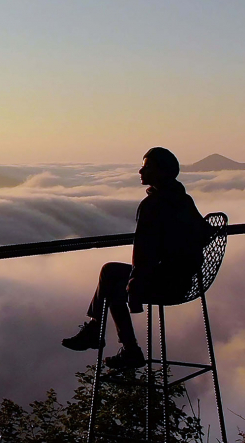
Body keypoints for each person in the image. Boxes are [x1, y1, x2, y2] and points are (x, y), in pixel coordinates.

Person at [62, 147, 212, 370]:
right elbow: (205, 234)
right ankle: (101, 333)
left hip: (167, 284)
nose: (140, 172)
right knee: (110, 273)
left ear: (161, 172)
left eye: (146, 167)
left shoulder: (153, 205)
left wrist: (136, 283)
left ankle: (123, 345)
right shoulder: (183, 200)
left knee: (111, 280)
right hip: (184, 281)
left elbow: (144, 253)